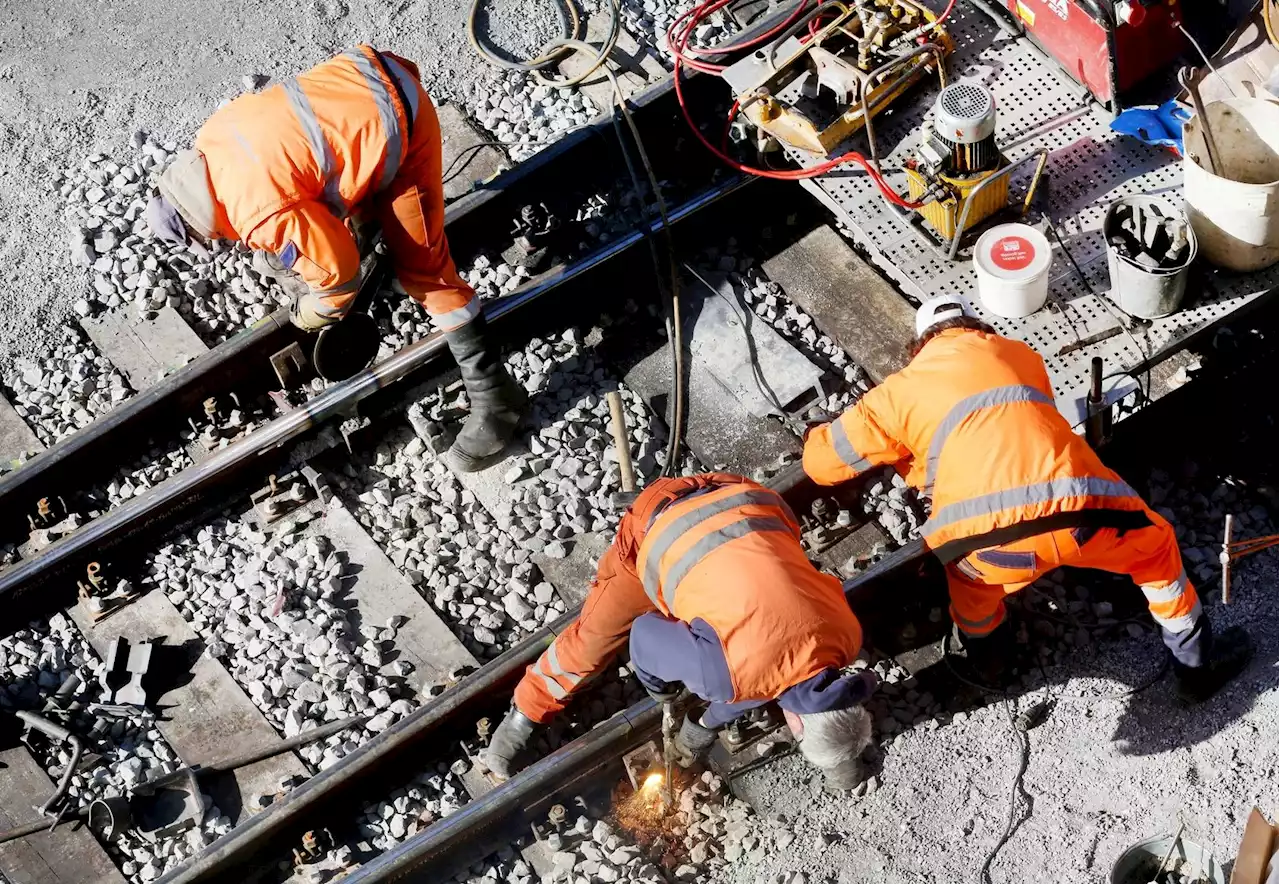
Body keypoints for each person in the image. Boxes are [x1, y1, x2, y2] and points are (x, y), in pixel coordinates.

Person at [802, 295, 1252, 702]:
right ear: (977, 328)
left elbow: (821, 466)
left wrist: (828, 435)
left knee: (973, 595)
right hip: (1084, 514)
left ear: (919, 347)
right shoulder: (1021, 355)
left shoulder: (898, 391)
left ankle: (993, 661)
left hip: (987, 545)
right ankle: (1196, 668)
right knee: (1157, 552)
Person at [144, 46, 525, 471]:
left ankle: (497, 397)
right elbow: (303, 164)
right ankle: (379, 230)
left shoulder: (255, 212)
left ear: (201, 225)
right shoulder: (212, 139)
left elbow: (338, 278)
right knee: (333, 196)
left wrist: (311, 314)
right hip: (368, 74)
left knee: (427, 275)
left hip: (403, 122)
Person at [483, 473, 876, 790]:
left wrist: (706, 722)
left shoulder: (848, 636)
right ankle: (528, 707)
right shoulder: (723, 678)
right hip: (658, 525)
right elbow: (642, 636)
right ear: (799, 724)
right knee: (594, 638)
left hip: (747, 499)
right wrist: (661, 688)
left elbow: (763, 675)